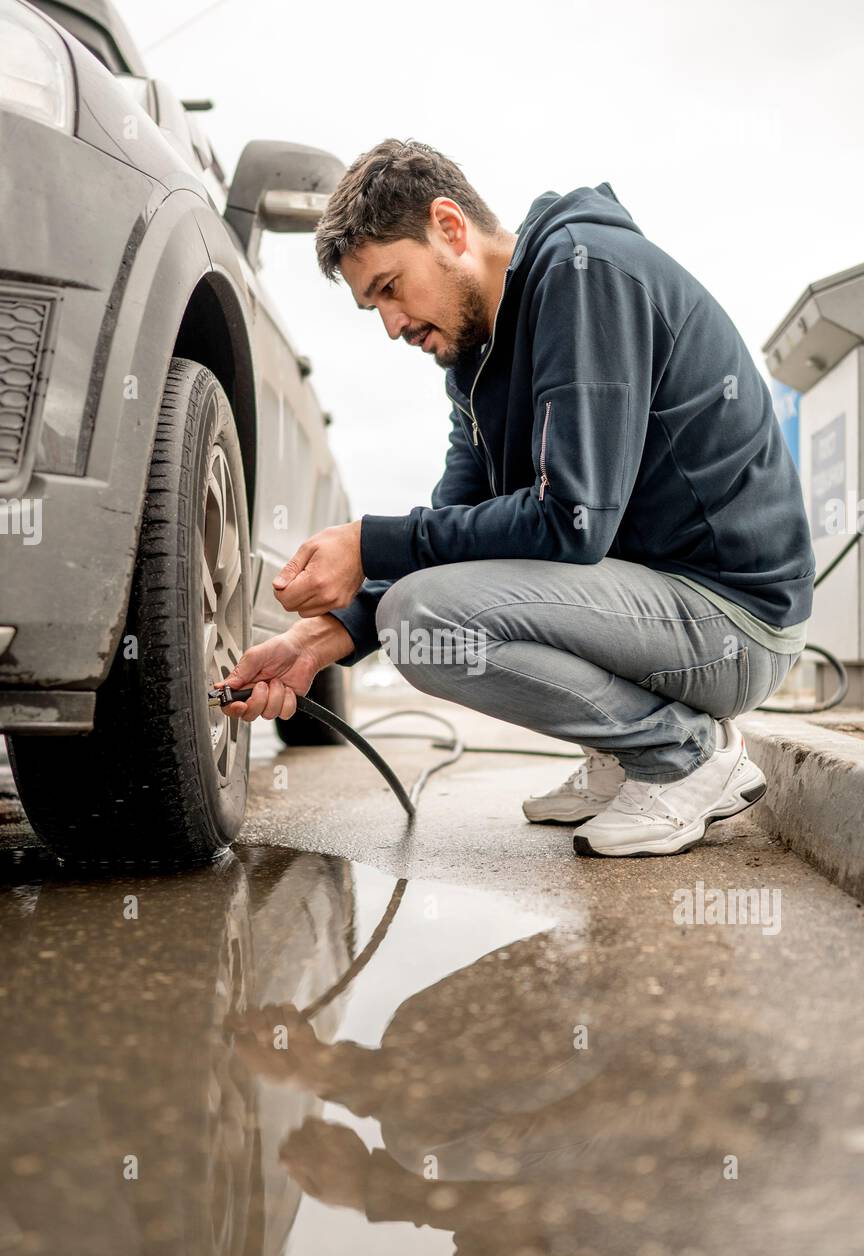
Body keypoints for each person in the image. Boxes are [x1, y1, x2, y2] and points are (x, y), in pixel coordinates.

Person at [217, 138, 814, 858]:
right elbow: (449, 529)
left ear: (449, 226)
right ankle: (621, 760)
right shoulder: (472, 364)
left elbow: (574, 521)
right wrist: (320, 639)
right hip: (657, 612)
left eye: (390, 287)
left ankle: (682, 757)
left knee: (421, 618)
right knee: (419, 604)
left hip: (734, 625)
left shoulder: (584, 274)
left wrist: (364, 542)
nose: (391, 325)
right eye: (371, 306)